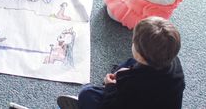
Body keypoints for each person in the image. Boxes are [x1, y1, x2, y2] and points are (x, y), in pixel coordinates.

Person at [57, 17, 185, 109]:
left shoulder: (130, 83)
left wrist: (110, 86)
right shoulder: (175, 63)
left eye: (133, 42)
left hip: (130, 99)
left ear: (140, 54)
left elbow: (112, 105)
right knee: (130, 62)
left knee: (87, 94)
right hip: (157, 96)